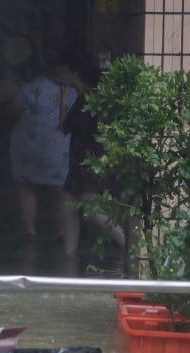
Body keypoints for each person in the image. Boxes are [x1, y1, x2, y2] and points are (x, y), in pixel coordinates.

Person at [8, 55, 78, 244]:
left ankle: (30, 232)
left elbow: (13, 110)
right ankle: (62, 232)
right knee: (59, 192)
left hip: (28, 146)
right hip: (59, 149)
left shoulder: (32, 87)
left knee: (26, 187)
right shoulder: (77, 91)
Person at [61, 62, 126, 256]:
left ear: (75, 74)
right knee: (70, 201)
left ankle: (129, 244)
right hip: (93, 159)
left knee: (88, 203)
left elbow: (65, 126)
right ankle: (68, 253)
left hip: (85, 159)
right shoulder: (104, 99)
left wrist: (63, 100)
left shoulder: (85, 99)